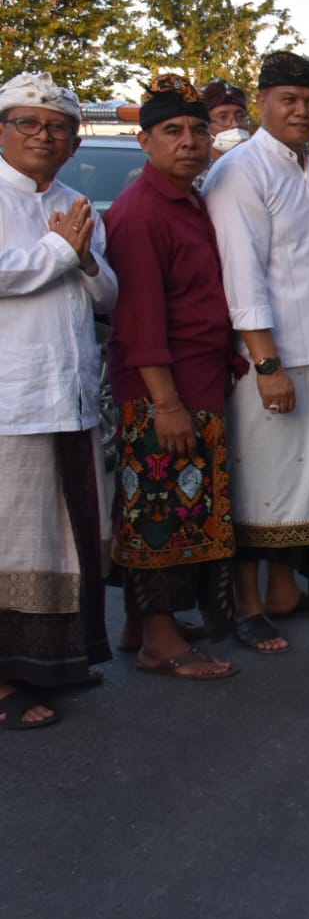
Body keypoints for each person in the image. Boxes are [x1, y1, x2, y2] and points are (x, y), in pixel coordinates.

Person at [203, 51, 309, 655]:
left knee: (298, 481)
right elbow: (241, 275)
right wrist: (266, 365)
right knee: (256, 481)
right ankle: (246, 604)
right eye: (289, 100)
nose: (302, 111)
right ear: (262, 102)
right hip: (266, 360)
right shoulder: (241, 170)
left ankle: (285, 592)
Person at [103, 74, 240, 681]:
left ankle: (142, 624)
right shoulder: (140, 213)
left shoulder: (189, 199)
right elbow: (140, 320)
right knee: (159, 511)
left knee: (172, 506)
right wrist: (166, 403)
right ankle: (160, 642)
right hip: (163, 390)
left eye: (198, 130)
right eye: (172, 131)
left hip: (198, 381)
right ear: (145, 141)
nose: (189, 142)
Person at [0, 72, 117, 727]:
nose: (43, 136)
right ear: (2, 130)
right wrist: (59, 251)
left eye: (58, 128)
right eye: (28, 122)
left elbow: (107, 296)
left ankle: (56, 662)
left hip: (69, 394)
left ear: (74, 142)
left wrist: (88, 263)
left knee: (64, 537)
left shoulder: (77, 202)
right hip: (11, 399)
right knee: (10, 538)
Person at [200, 79, 251, 163]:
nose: (235, 124)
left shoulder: (262, 163)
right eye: (223, 117)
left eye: (241, 116)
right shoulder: (195, 168)